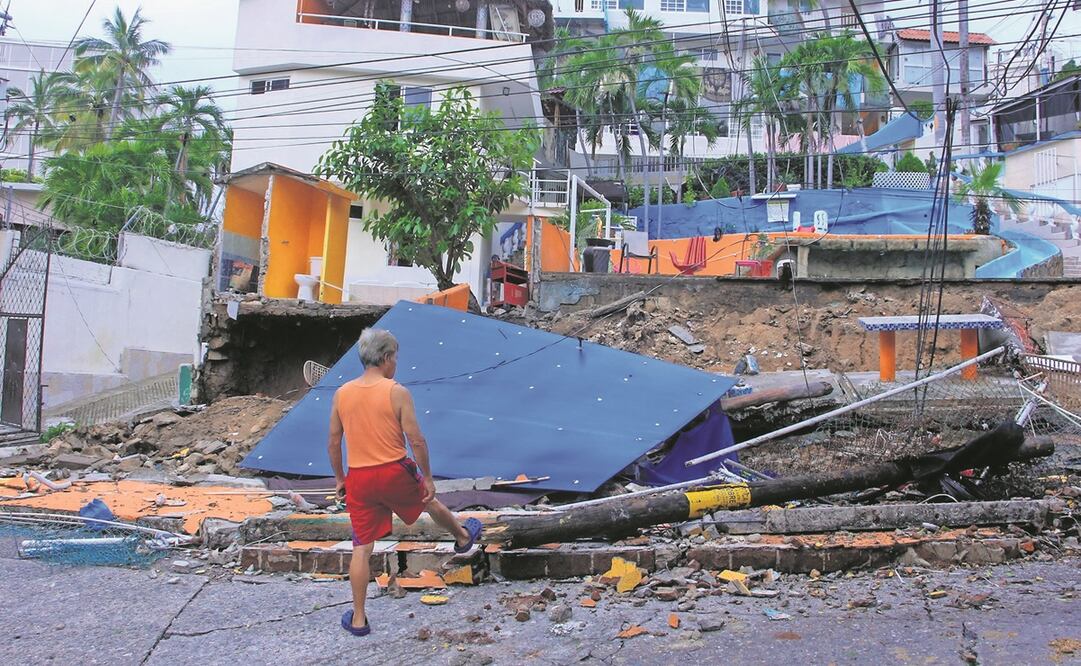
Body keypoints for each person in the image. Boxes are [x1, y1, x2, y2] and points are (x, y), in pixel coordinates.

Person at [329, 328, 482, 637]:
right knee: (429, 499)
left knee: (362, 547)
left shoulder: (342, 393)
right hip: (393, 470)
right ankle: (463, 537)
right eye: (395, 357)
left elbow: (334, 442)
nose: (396, 363)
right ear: (386, 358)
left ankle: (358, 619)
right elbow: (417, 440)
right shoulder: (396, 391)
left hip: (359, 476)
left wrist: (340, 478)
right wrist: (427, 477)